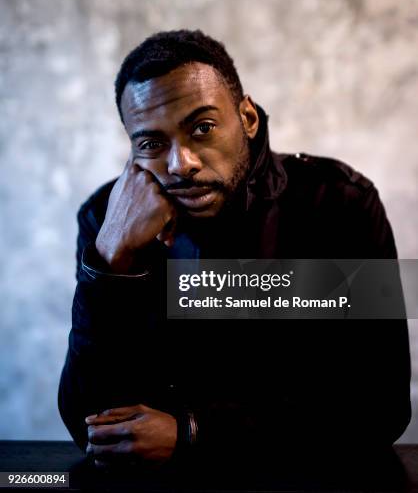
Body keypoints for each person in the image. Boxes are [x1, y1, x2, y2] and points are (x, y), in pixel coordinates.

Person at [58, 29, 411, 479]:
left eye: (202, 128)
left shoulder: (338, 206)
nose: (179, 163)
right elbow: (91, 427)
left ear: (246, 117)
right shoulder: (108, 222)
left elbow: (379, 409)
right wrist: (111, 261)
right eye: (151, 143)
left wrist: (193, 432)